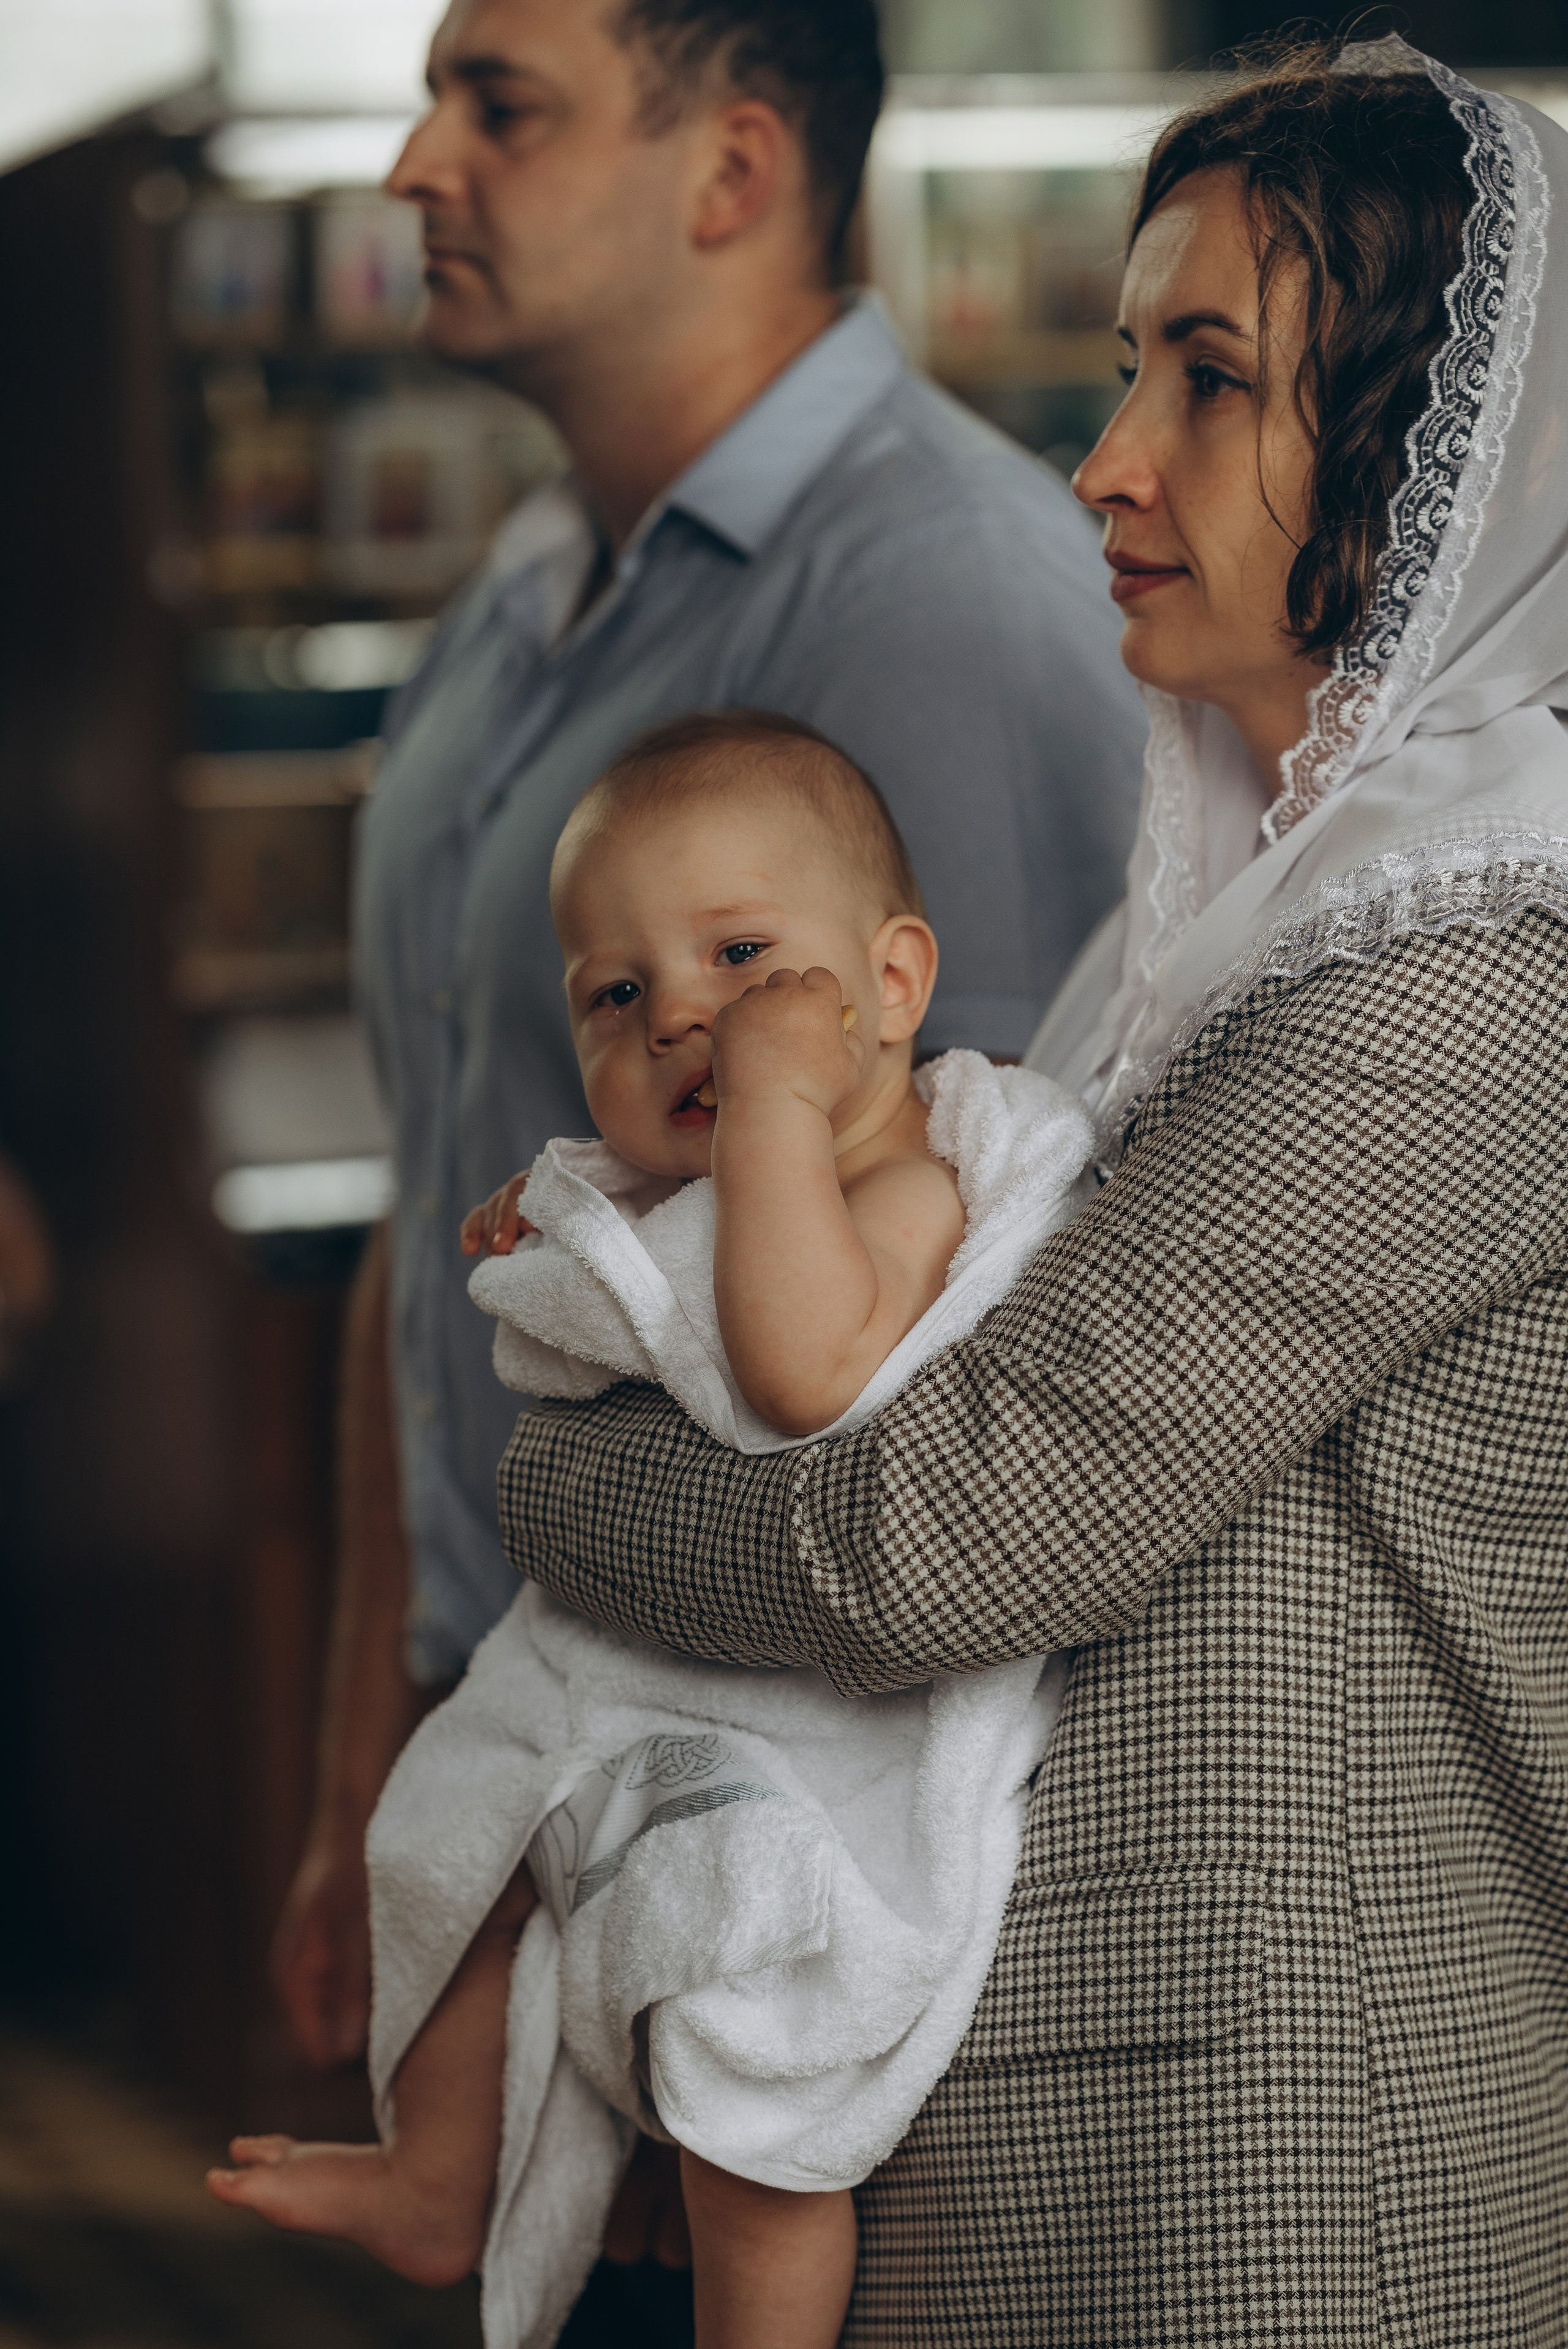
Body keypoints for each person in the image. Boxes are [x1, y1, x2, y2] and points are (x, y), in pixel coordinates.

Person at [492, 39, 1568, 2344]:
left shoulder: (1473, 970)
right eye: (1123, 371)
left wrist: (559, 1481)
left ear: (1435, 446)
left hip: (1296, 2165)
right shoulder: (1224, 928)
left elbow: (943, 1528)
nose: (1108, 464)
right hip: (1118, 2113)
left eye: (1212, 379)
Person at [274, 0, 1145, 2172]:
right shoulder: (522, 595)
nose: (413, 167)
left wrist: (739, 1997)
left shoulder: (940, 595)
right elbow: (437, 1199)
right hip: (531, 1771)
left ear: (733, 170)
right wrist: (367, 1768)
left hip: (754, 1863)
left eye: (500, 105)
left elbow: (976, 1373)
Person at [210, 711, 1091, 2349]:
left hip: (816, 1768)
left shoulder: (914, 1192)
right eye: (617, 997)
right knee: (465, 1838)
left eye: (745, 958)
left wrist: (760, 1118)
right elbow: (619, 1319)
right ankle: (436, 2181)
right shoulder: (697, 1185)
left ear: (891, 988)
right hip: (633, 1691)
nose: (685, 1012)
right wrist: (576, 1237)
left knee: (760, 2123)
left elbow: (802, 1363)